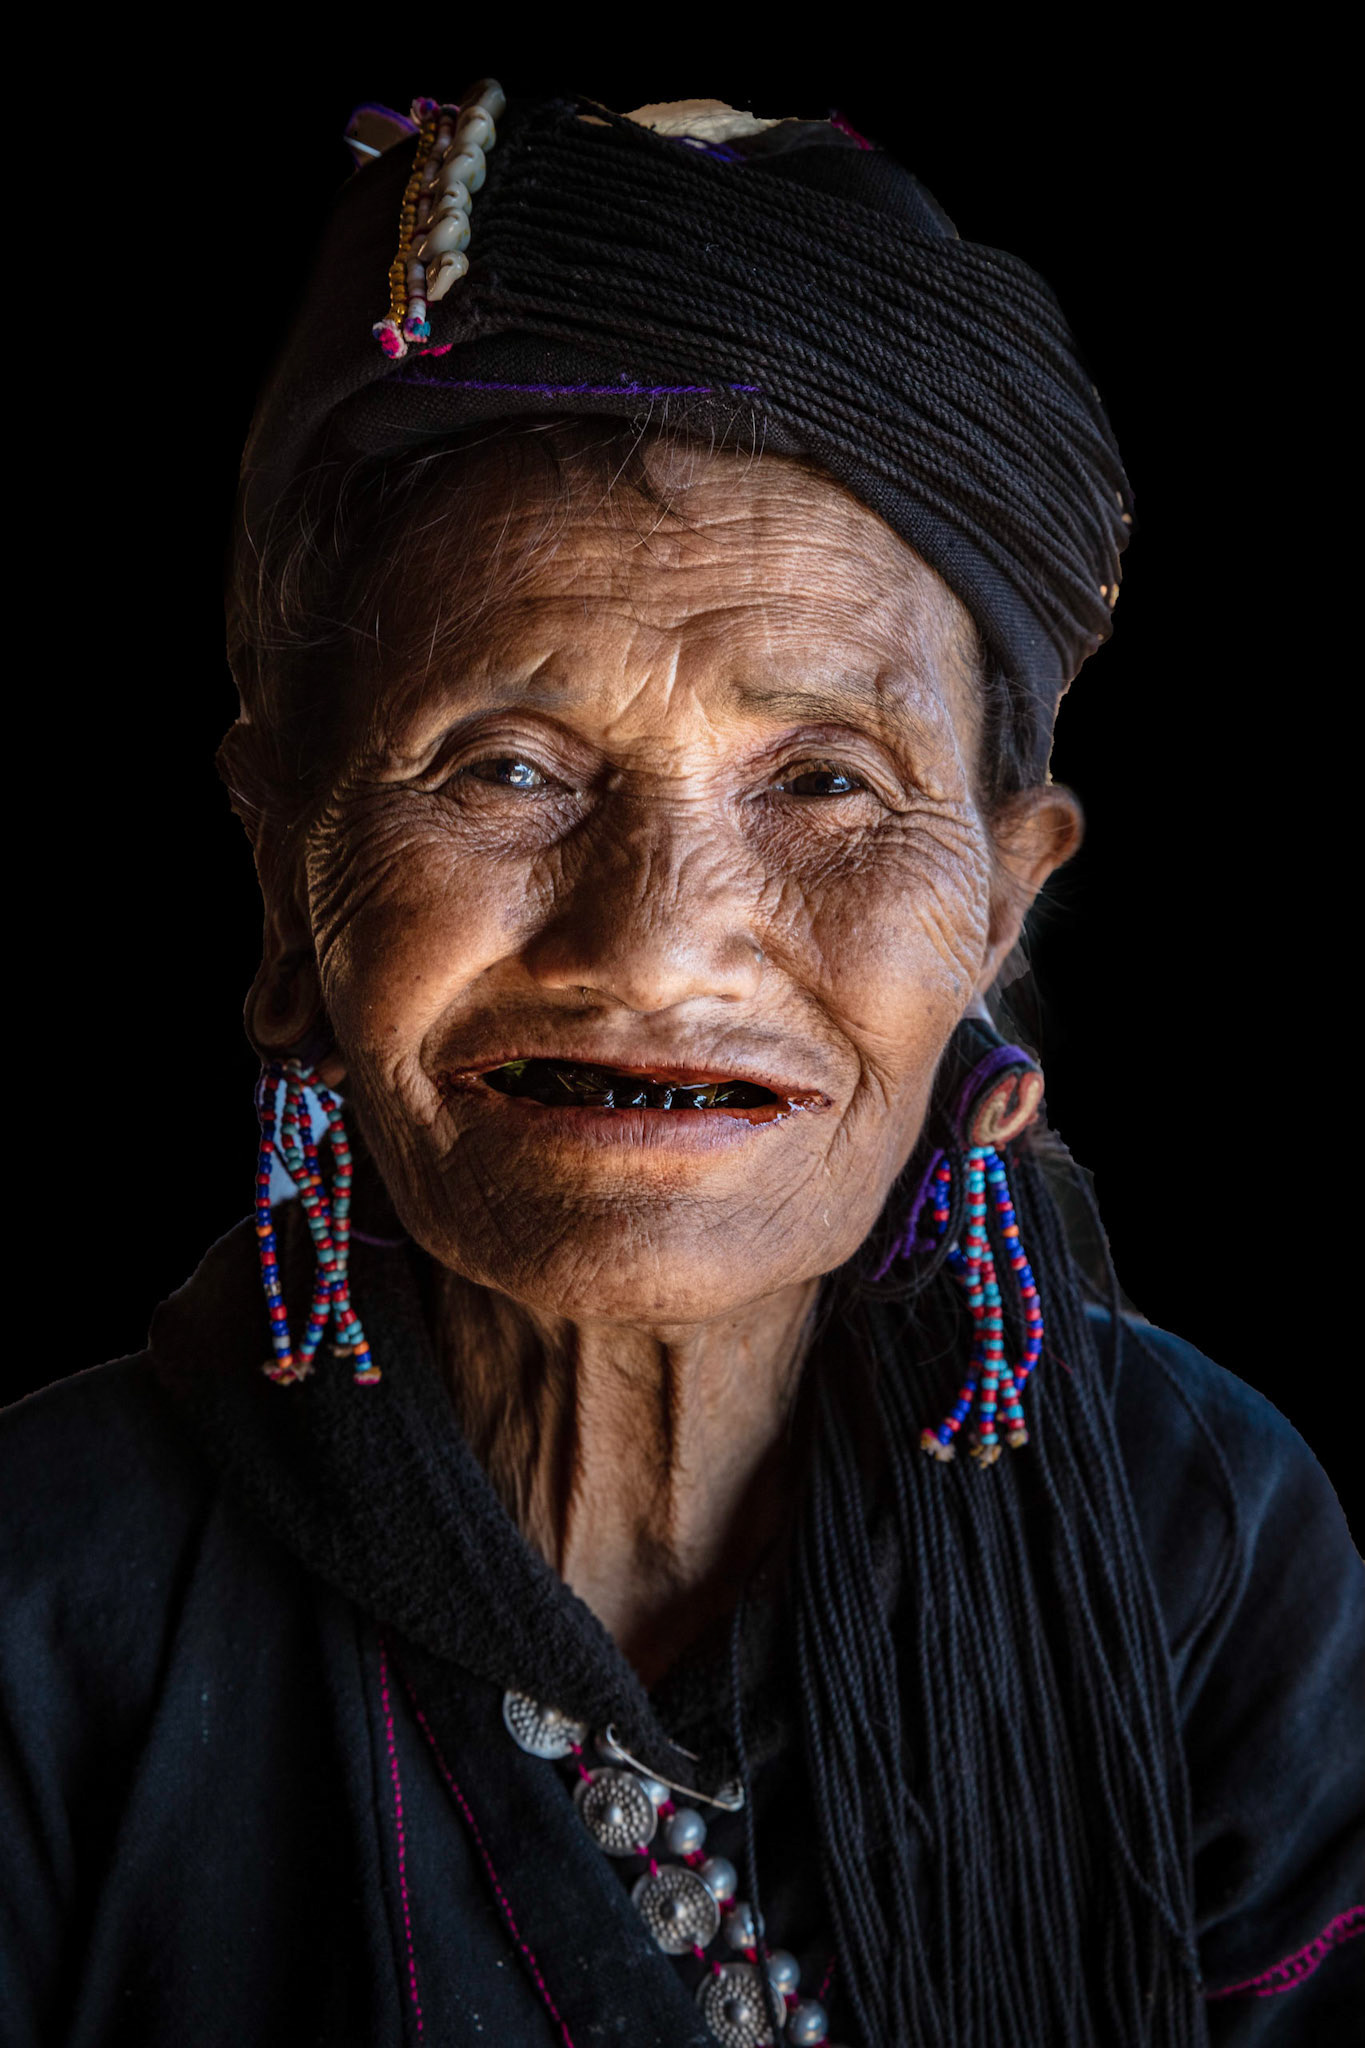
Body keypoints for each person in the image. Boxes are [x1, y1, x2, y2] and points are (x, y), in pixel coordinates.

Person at [2, 82, 1360, 2048]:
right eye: (509, 772)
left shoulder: (1201, 1553)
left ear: (998, 905)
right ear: (288, 885)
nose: (650, 937)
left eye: (823, 783)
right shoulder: (45, 1609)